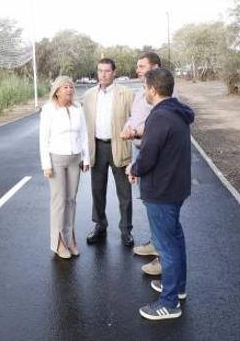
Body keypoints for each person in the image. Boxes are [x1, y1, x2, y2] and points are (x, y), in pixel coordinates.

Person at [129, 67, 194, 321]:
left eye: (145, 87)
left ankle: (169, 303)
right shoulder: (178, 112)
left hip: (162, 191)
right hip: (176, 188)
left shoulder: (159, 117)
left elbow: (148, 156)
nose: (144, 92)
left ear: (153, 89)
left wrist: (134, 168)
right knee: (175, 240)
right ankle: (177, 288)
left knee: (166, 247)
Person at [121, 51, 175, 275]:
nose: (138, 69)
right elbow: (138, 116)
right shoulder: (144, 90)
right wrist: (128, 125)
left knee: (160, 208)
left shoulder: (163, 94)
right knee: (150, 203)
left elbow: (156, 126)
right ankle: (156, 244)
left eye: (142, 66)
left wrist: (134, 132)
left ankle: (164, 259)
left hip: (152, 152)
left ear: (156, 68)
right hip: (140, 149)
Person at [81, 58, 135, 246]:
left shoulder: (126, 93)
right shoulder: (88, 95)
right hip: (97, 147)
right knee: (97, 190)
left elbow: (135, 119)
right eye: (100, 71)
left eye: (106, 71)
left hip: (118, 146)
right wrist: (83, 154)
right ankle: (100, 225)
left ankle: (126, 230)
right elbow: (83, 125)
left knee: (124, 192)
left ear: (114, 73)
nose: (103, 74)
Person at [39, 76, 90, 259]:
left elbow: (84, 134)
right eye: (65, 87)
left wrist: (86, 158)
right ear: (57, 91)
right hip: (56, 160)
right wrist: (46, 165)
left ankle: (70, 239)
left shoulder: (77, 108)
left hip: (75, 158)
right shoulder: (48, 110)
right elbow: (43, 140)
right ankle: (58, 242)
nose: (69, 90)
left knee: (71, 200)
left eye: (71, 87)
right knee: (59, 202)